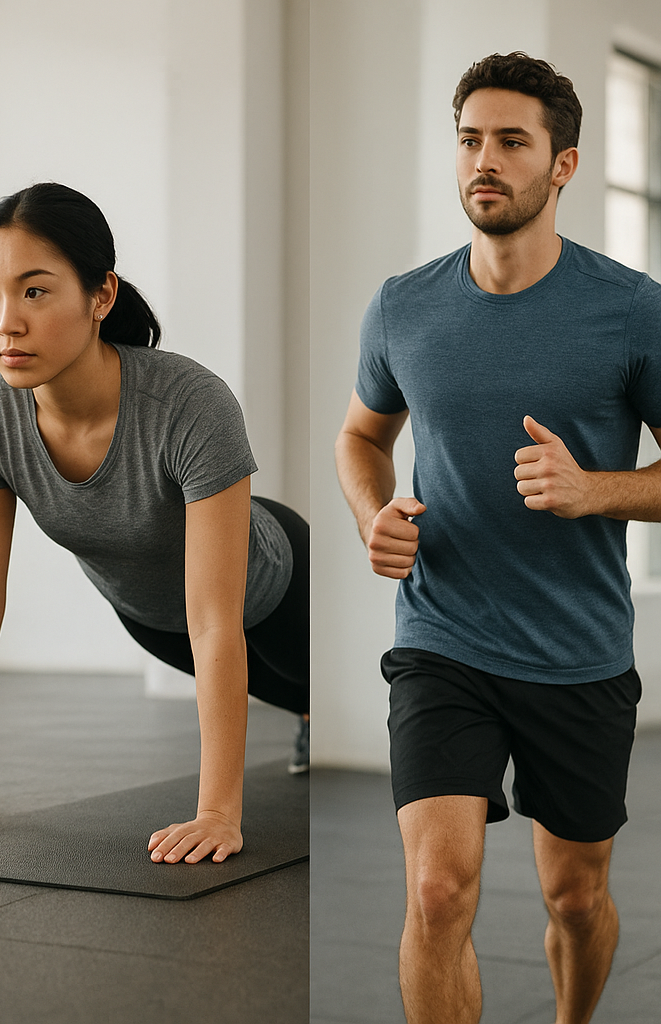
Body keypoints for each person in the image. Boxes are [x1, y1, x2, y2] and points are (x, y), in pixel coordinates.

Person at [335, 52, 661, 1024]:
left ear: (563, 165)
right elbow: (360, 436)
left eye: (512, 141)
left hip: (577, 651)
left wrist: (594, 489)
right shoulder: (403, 305)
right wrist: (372, 514)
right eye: (470, 138)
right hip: (443, 638)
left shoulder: (632, 310)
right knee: (437, 891)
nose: (485, 159)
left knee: (576, 897)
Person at [0, 183, 309, 866]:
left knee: (333, 700)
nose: (6, 322)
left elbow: (217, 618)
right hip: (153, 618)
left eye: (35, 292)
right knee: (293, 699)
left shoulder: (188, 402)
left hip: (275, 589)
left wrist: (218, 814)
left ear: (101, 297)